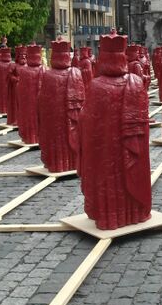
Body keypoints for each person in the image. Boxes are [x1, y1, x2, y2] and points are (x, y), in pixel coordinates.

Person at [78, 31, 151, 230]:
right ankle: (134, 213)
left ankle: (110, 217)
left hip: (105, 152)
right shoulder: (136, 82)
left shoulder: (96, 86)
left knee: (108, 177)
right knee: (127, 172)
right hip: (126, 149)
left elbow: (88, 122)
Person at [38, 38, 85, 173]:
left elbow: (42, 99)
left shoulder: (48, 74)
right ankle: (72, 163)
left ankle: (57, 164)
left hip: (53, 118)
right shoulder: (75, 73)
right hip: (66, 116)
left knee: (56, 139)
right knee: (67, 136)